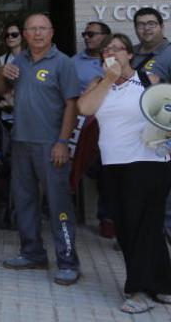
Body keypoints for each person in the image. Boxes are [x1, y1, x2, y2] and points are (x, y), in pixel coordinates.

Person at [77, 33, 170, 313]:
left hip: (150, 162)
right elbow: (84, 108)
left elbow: (166, 117)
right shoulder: (99, 84)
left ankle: (138, 290)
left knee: (143, 225)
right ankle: (163, 283)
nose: (112, 53)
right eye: (107, 50)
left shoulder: (147, 81)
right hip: (114, 164)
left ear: (130, 55)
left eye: (117, 49)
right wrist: (108, 79)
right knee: (132, 225)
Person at [0, 13, 81, 285]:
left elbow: (72, 104)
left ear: (52, 32)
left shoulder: (63, 63)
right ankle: (32, 253)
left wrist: (62, 142)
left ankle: (68, 262)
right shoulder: (18, 60)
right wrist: (0, 73)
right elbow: (0, 90)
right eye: (32, 29)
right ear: (25, 33)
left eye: (43, 28)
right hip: (21, 141)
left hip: (50, 145)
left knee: (58, 204)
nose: (37, 33)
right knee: (24, 201)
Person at [130, 8, 171, 243]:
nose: (146, 28)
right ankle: (143, 233)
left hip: (162, 131)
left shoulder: (169, 53)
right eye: (141, 24)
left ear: (161, 26)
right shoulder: (131, 53)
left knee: (163, 186)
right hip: (133, 131)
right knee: (140, 183)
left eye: (151, 23)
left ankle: (163, 233)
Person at [73, 21, 113, 238]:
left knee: (109, 171)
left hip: (111, 125)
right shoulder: (75, 61)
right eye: (85, 34)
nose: (87, 37)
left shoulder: (116, 62)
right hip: (84, 125)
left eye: (92, 34)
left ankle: (108, 218)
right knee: (90, 168)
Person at [0, 20, 23, 123]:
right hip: (9, 114)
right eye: (7, 35)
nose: (10, 37)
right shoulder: (3, 59)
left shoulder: (31, 57)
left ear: (22, 36)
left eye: (14, 34)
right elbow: (0, 87)